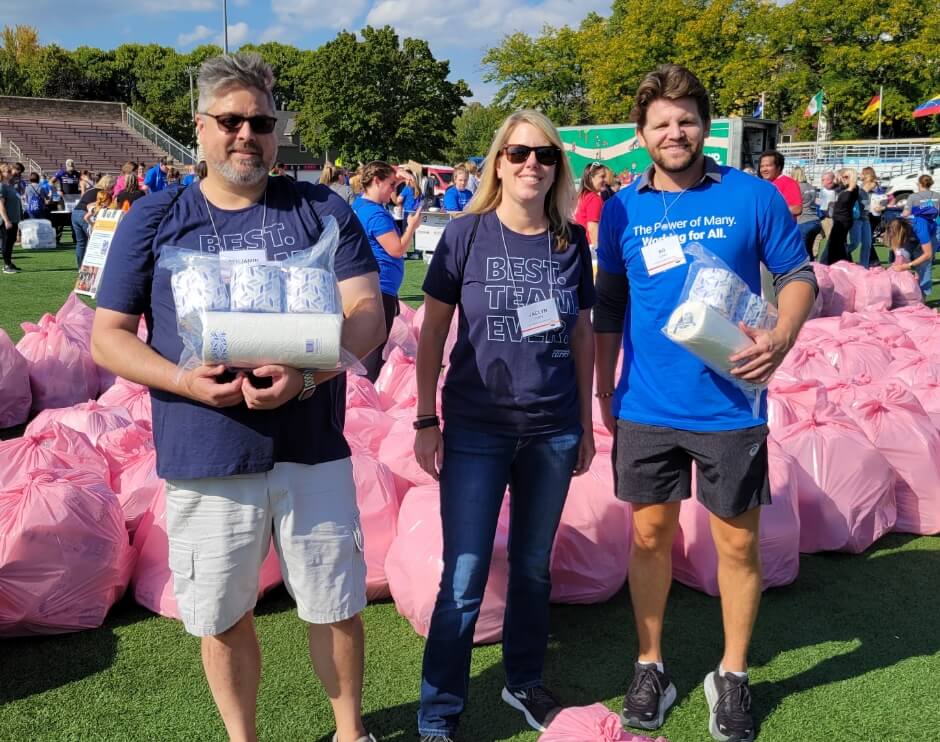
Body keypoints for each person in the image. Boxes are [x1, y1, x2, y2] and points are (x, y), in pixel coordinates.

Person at [90, 53, 386, 742]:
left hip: (311, 448)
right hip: (206, 452)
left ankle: (350, 733)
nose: (245, 134)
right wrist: (182, 380)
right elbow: (107, 336)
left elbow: (367, 313)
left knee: (335, 603)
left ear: (276, 128)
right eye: (230, 121)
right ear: (200, 127)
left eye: (260, 121)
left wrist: (310, 375)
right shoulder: (155, 217)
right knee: (223, 614)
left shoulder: (320, 208)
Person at [594, 64, 816, 742]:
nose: (674, 132)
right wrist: (605, 391)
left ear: (705, 126)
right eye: (660, 122)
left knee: (737, 547)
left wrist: (780, 336)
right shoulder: (623, 207)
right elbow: (608, 306)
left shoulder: (752, 196)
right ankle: (651, 664)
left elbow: (799, 275)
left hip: (731, 409)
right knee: (650, 537)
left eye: (686, 119)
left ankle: (734, 674)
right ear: (641, 135)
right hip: (647, 407)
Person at [414, 109, 596, 742]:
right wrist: (424, 418)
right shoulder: (465, 235)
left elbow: (579, 334)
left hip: (552, 430)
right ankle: (439, 711)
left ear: (558, 167)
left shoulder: (571, 242)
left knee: (533, 566)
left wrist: (586, 424)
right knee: (462, 578)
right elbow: (432, 331)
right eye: (518, 153)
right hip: (475, 430)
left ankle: (523, 681)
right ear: (498, 161)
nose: (531, 165)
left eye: (544, 155)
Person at [351, 161, 423, 381]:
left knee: (369, 348)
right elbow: (396, 249)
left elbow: (381, 179)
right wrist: (412, 226)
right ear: (376, 181)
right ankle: (365, 395)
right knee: (373, 350)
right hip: (381, 288)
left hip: (374, 285)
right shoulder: (376, 215)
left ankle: (363, 392)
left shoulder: (361, 204)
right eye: (391, 185)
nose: (394, 190)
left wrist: (399, 177)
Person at [71, 175, 114, 268]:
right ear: (108, 185)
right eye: (112, 186)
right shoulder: (101, 193)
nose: (112, 189)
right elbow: (95, 205)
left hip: (75, 213)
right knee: (93, 241)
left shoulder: (90, 190)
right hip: (85, 214)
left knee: (81, 243)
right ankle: (92, 266)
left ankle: (80, 267)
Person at [887, 216, 934, 299]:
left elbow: (928, 254)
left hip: (931, 235)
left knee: (924, 266)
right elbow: (895, 243)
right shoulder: (894, 224)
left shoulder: (920, 227)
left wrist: (908, 266)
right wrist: (899, 258)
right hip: (910, 235)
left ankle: (922, 298)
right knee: (902, 257)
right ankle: (901, 294)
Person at [823, 168, 859, 265]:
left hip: (842, 221)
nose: (842, 178)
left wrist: (847, 179)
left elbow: (846, 193)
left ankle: (836, 265)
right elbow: (833, 184)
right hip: (841, 220)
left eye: (845, 177)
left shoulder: (851, 190)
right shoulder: (845, 189)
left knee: (835, 245)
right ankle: (841, 263)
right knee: (837, 245)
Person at [759, 151, 801, 220]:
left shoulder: (789, 183)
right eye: (762, 166)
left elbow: (797, 209)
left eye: (768, 166)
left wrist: (768, 211)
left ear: (779, 167)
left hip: (782, 229)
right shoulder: (763, 184)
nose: (764, 169)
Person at [573, 161, 607, 247]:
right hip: (590, 248)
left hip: (580, 245)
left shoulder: (582, 196)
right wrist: (599, 251)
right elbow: (592, 228)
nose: (605, 180)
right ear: (591, 177)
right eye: (602, 177)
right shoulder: (594, 199)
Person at [792, 167, 821, 260]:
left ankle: (806, 272)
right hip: (815, 221)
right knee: (809, 251)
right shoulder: (811, 187)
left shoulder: (796, 187)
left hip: (803, 221)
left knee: (803, 252)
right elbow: (817, 202)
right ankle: (813, 271)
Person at [1, 165, 24, 274]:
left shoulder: (9, 185)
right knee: (6, 242)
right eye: (8, 171)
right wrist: (6, 220)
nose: (11, 173)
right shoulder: (1, 186)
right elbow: (0, 205)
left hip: (14, 219)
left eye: (10, 171)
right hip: (7, 220)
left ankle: (9, 262)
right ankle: (6, 265)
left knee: (11, 242)